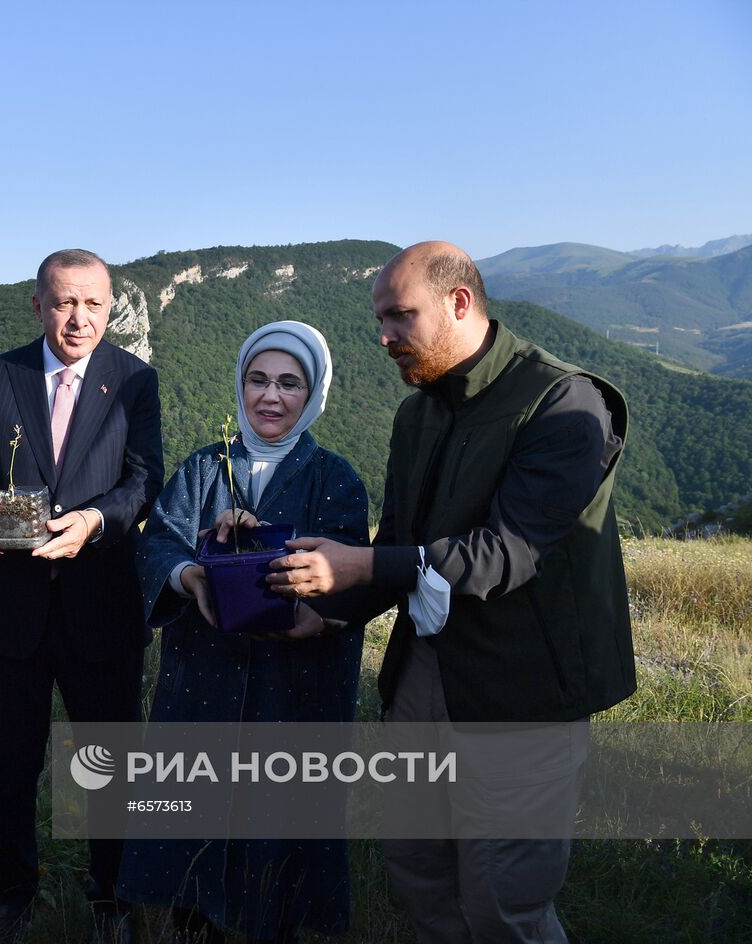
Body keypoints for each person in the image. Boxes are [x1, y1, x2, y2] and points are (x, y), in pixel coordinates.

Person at [272, 241, 636, 943]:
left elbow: (510, 552)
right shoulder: (420, 415)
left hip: (520, 692)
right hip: (424, 676)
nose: (383, 338)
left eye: (399, 318)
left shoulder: (564, 401)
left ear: (459, 302)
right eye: (379, 319)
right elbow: (401, 543)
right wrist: (325, 612)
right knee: (420, 872)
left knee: (506, 901)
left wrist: (361, 569)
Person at [115, 321, 369, 944]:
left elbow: (352, 577)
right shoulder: (205, 468)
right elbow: (157, 546)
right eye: (258, 380)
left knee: (276, 827)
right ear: (240, 384)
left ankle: (273, 922)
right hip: (203, 676)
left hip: (293, 686)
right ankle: (190, 920)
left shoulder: (335, 479)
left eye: (289, 383)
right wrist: (195, 571)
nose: (271, 397)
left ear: (314, 394)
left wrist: (311, 601)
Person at [0, 248, 163, 943]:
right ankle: (16, 894)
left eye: (93, 304)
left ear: (110, 308)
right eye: (64, 302)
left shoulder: (135, 381)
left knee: (105, 764)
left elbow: (143, 479)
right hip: (13, 607)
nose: (79, 318)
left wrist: (97, 522)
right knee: (9, 767)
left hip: (100, 605)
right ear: (37, 305)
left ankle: (111, 896)